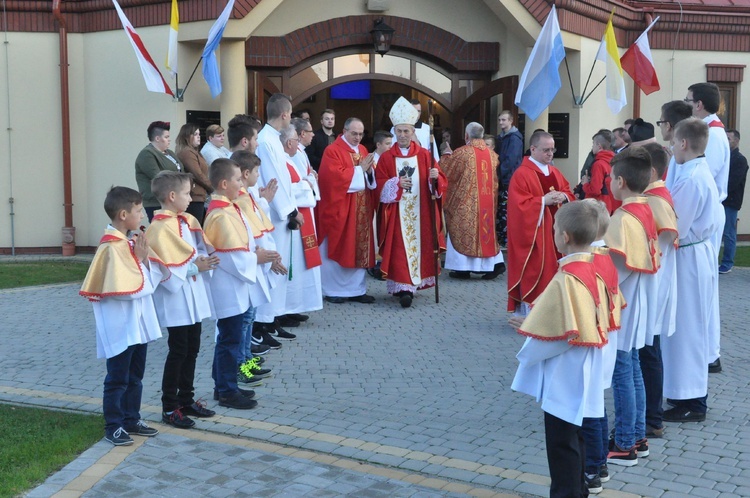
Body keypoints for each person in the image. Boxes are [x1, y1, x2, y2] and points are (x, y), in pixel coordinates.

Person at [510, 201, 606, 498]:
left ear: (564, 236)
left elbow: (558, 333)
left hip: (566, 372)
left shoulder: (567, 278)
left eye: (553, 229)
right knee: (575, 437)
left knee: (561, 443)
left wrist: (528, 340)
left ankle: (567, 493)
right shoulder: (591, 268)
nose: (551, 232)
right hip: (583, 365)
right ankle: (578, 490)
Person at [79, 186, 162, 446]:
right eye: (138, 211)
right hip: (120, 325)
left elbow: (148, 278)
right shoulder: (110, 247)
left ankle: (131, 418)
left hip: (136, 324)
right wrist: (139, 259)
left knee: (135, 376)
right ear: (124, 214)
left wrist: (144, 259)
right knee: (117, 378)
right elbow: (126, 289)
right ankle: (113, 425)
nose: (142, 215)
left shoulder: (128, 242)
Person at [145, 171, 218, 428]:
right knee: (178, 351)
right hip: (176, 298)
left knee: (193, 348)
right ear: (172, 196)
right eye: (187, 193)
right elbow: (164, 266)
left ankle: (186, 399)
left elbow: (194, 250)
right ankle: (169, 406)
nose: (191, 198)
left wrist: (204, 260)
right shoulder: (159, 228)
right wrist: (195, 267)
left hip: (192, 295)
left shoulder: (186, 221)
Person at [203, 158, 278, 409]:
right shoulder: (220, 214)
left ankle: (223, 386)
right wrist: (255, 258)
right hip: (228, 286)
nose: (241, 183)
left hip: (237, 284)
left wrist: (255, 252)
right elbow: (228, 256)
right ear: (224, 183)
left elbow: (244, 241)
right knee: (229, 339)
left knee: (231, 337)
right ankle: (226, 390)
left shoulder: (230, 208)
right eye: (237, 179)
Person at [661, 118, 721, 423]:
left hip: (687, 257)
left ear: (683, 143)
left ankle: (693, 401)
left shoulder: (692, 178)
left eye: (674, 142)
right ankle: (681, 394)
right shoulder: (691, 170)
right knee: (682, 329)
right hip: (690, 255)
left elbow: (674, 225)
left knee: (688, 329)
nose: (671, 147)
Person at [604, 147, 660, 467]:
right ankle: (637, 435)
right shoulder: (645, 209)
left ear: (620, 181)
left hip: (623, 305)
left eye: (611, 178)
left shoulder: (623, 218)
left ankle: (625, 443)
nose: (609, 183)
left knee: (622, 369)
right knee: (633, 366)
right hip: (639, 302)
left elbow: (615, 270)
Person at [376, 97, 447, 308]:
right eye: (399, 131)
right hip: (397, 212)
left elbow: (439, 185)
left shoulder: (425, 156)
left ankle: (412, 286)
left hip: (421, 210)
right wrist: (395, 183)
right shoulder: (388, 158)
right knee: (399, 247)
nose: (403, 135)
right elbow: (379, 186)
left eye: (407, 131)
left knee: (419, 245)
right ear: (394, 132)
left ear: (412, 132)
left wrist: (436, 177)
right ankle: (403, 288)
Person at [580, 198, 624, 493]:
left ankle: (592, 468)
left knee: (588, 408)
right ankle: (601, 463)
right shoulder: (606, 256)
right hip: (607, 336)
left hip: (592, 341)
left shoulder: (588, 262)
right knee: (596, 402)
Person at [506, 131, 574, 316]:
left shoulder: (554, 171)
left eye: (552, 149)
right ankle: (532, 313)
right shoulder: (522, 174)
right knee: (537, 270)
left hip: (556, 233)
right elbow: (518, 207)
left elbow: (568, 191)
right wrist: (542, 201)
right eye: (546, 150)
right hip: (536, 235)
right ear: (533, 149)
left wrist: (564, 196)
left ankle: (554, 312)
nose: (550, 154)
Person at [231, 150, 284, 377]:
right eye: (256, 172)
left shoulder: (248, 196)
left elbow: (259, 225)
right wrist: (267, 257)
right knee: (243, 322)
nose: (258, 176)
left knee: (249, 319)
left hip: (256, 262)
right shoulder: (241, 199)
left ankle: (247, 361)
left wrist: (262, 200)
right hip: (249, 266)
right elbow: (252, 234)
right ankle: (242, 365)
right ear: (245, 173)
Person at [255, 94, 301, 349]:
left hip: (281, 213)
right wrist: (290, 211)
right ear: (284, 114)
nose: (291, 116)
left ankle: (273, 318)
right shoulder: (265, 141)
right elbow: (273, 180)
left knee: (280, 269)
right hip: (274, 214)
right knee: (274, 267)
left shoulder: (272, 138)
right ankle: (263, 322)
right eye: (290, 112)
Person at [640, 143, 679, 440]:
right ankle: (649, 415)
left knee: (648, 354)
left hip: (651, 288)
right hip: (654, 285)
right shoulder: (655, 196)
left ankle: (651, 418)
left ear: (650, 171)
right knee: (649, 352)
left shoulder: (653, 202)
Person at [317, 117, 378, 303]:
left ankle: (357, 290)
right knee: (339, 246)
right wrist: (359, 170)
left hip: (360, 211)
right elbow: (332, 179)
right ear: (344, 131)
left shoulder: (362, 150)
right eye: (354, 133)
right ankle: (334, 291)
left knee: (358, 246)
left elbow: (370, 174)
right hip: (340, 209)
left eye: (361, 134)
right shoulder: (332, 151)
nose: (358, 137)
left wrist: (368, 172)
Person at [440, 122, 504, 280]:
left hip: (465, 202)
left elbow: (446, 172)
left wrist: (446, 155)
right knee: (486, 232)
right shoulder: (492, 155)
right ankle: (494, 264)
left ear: (466, 136)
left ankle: (462, 268)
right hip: (487, 203)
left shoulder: (461, 153)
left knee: (463, 229)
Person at [279, 124, 323, 316]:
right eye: (296, 140)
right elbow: (289, 189)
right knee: (294, 265)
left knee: (300, 265)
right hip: (294, 217)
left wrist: (307, 181)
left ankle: (296, 305)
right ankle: (289, 308)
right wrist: (307, 183)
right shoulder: (284, 161)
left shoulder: (288, 159)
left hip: (303, 214)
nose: (298, 144)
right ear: (290, 142)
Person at [135, 121, 183, 221]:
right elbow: (159, 178)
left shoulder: (169, 153)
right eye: (166, 137)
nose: (169, 140)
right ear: (157, 138)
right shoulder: (147, 154)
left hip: (173, 200)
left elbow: (181, 170)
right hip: (156, 203)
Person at [720, 129, 749, 274]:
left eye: (729, 138)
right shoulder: (723, 156)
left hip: (730, 202)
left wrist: (719, 192)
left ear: (736, 141)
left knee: (729, 233)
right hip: (720, 200)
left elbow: (732, 183)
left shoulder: (740, 160)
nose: (726, 140)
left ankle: (727, 263)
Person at [174, 123, 213, 224]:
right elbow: (198, 175)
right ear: (187, 136)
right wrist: (213, 188)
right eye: (195, 134)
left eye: (199, 134)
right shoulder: (187, 152)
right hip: (194, 197)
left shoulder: (194, 151)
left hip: (200, 196)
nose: (199, 137)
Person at [582, 130, 616, 213]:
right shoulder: (615, 161)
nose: (592, 146)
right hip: (611, 203)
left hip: (598, 206)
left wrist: (585, 183)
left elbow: (595, 190)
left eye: (593, 144)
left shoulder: (599, 164)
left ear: (599, 146)